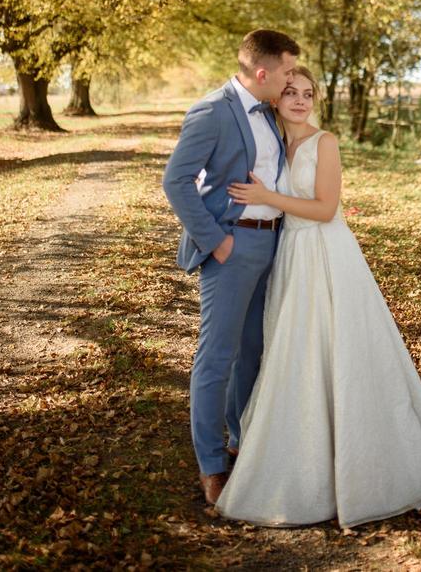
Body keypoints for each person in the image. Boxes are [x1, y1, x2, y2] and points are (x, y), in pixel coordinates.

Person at [216, 67, 421, 529]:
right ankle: (297, 448)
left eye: (308, 93)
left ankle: (357, 460)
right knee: (292, 351)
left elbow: (326, 208)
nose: (299, 101)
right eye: (290, 92)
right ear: (275, 98)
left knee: (336, 348)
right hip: (288, 252)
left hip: (325, 253)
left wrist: (268, 194)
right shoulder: (271, 141)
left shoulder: (323, 142)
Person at [162, 28, 300, 506]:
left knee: (252, 352)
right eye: (285, 72)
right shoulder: (212, 111)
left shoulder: (272, 113)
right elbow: (176, 181)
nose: (290, 80)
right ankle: (211, 464)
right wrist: (217, 241)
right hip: (232, 246)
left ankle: (243, 440)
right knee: (217, 357)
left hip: (272, 246)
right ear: (262, 73)